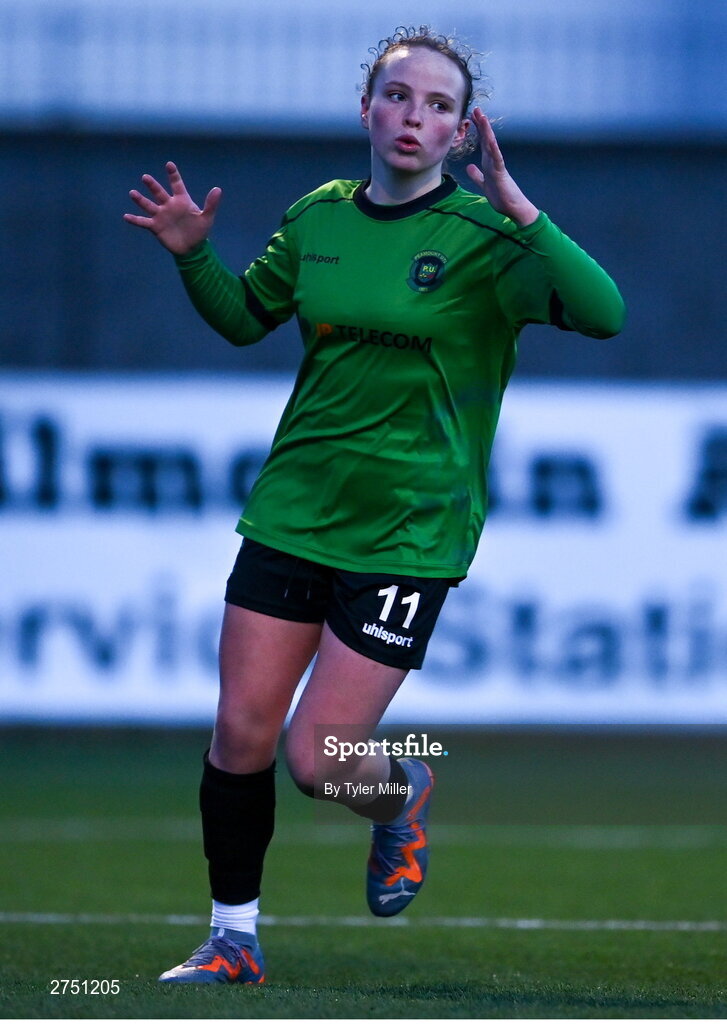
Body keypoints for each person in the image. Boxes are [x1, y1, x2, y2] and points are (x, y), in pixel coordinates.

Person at [124, 25, 625, 985]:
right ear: (367, 109)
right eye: (399, 97)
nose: (414, 117)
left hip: (410, 530)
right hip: (293, 508)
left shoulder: (487, 240)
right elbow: (243, 319)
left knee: (317, 761)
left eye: (439, 107)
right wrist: (193, 255)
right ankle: (233, 942)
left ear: (459, 134)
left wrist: (519, 207)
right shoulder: (319, 216)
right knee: (239, 734)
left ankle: (399, 799)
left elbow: (604, 312)